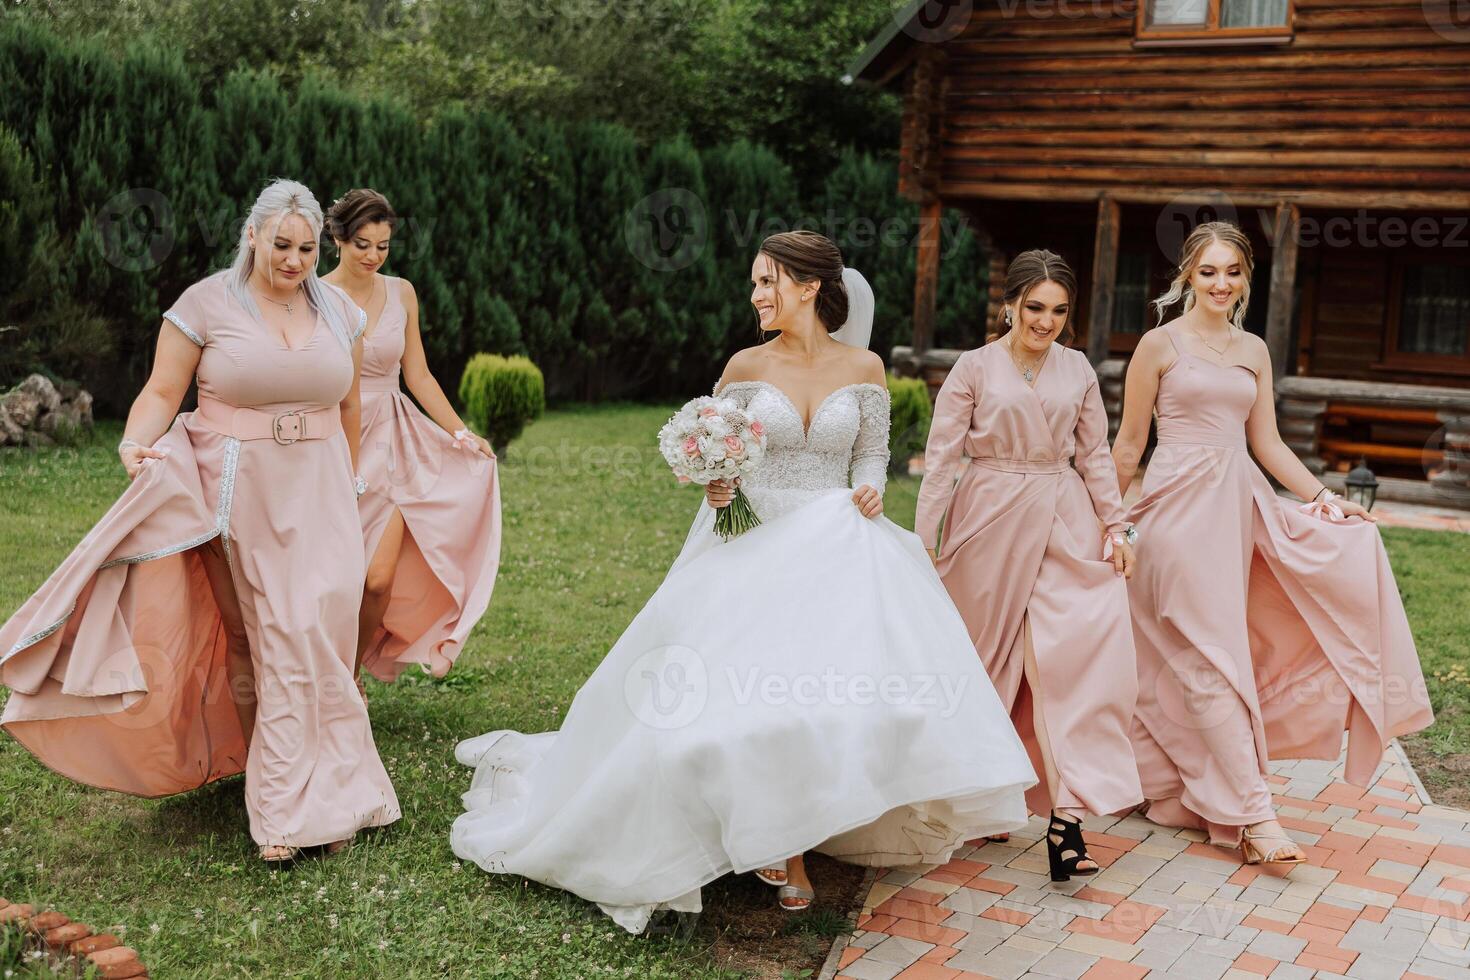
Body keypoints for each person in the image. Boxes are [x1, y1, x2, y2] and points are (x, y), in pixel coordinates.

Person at [450, 230, 1035, 931]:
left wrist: (872, 489)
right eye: (755, 283)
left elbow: (872, 453)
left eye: (768, 282)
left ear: (810, 287)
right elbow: (718, 455)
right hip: (753, 544)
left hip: (840, 544)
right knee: (737, 705)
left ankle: (814, 817)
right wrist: (717, 483)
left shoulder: (867, 366)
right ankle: (781, 849)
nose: (756, 296)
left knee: (831, 699)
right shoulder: (745, 365)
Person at [0, 179, 400, 863]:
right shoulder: (206, 303)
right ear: (253, 235)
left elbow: (352, 409)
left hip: (325, 488)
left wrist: (352, 479)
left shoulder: (337, 310)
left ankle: (339, 788)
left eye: (306, 248)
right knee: (272, 633)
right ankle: (280, 810)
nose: (295, 260)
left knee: (326, 631)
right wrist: (135, 440)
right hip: (240, 487)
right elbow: (162, 390)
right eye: (281, 244)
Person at [1111, 220, 1433, 865]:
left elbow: (1268, 444)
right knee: (1210, 663)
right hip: (1173, 515)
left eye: (1232, 271)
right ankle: (1256, 816)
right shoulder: (1158, 345)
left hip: (1236, 511)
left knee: (1208, 659)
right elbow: (1128, 446)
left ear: (1246, 278)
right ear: (1187, 276)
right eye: (1208, 271)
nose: (1220, 283)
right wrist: (1108, 519)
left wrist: (1322, 497)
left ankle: (1177, 789)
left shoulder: (1254, 350)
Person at [916, 249, 1143, 882]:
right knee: (984, 664)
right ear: (1010, 304)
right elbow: (940, 462)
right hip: (986, 519)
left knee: (1068, 665)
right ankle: (980, 795)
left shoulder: (1080, 371)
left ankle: (1067, 819)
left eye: (1059, 311)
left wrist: (1118, 524)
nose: (1046, 322)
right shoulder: (973, 367)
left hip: (1063, 520)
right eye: (1035, 308)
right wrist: (922, 545)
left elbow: (1095, 456)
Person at [322, 188, 500, 690]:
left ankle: (347, 677)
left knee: (377, 578)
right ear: (336, 238)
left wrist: (461, 432)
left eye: (383, 245)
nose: (373, 256)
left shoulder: (402, 292)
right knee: (333, 578)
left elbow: (418, 374)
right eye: (362, 244)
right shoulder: (313, 296)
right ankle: (313, 673)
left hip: (397, 443)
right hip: (332, 438)